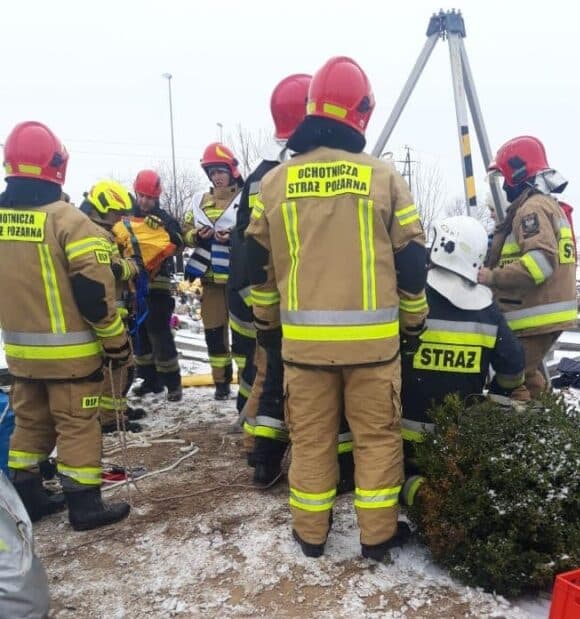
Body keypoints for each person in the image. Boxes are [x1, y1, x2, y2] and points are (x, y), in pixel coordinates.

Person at [245, 56, 428, 561]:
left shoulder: (274, 184)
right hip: (373, 350)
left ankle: (310, 536)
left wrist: (267, 327)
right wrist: (412, 322)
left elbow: (256, 267)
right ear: (362, 111)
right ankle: (376, 539)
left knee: (311, 442)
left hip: (303, 351)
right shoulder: (384, 178)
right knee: (376, 441)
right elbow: (412, 264)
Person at [0, 121, 130, 530]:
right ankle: (85, 505)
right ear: (57, 165)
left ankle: (29, 496)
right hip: (71, 357)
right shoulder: (69, 222)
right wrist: (117, 344)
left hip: (21, 354)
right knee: (77, 425)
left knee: (30, 423)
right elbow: (94, 294)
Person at [399, 215, 526, 506]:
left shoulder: (413, 298)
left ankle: (419, 494)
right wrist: (496, 396)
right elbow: (513, 366)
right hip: (458, 440)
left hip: (404, 438)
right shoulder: (487, 311)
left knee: (391, 476)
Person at [228, 74, 311, 471]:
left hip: (267, 294)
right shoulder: (287, 174)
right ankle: (262, 452)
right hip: (290, 294)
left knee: (268, 373)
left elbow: (248, 244)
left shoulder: (261, 174)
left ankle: (259, 451)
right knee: (276, 373)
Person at [478, 136, 577, 400]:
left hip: (535, 315)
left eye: (502, 177)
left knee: (510, 380)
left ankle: (522, 430)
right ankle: (548, 423)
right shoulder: (545, 205)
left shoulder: (530, 209)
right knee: (529, 377)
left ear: (516, 174)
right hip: (545, 312)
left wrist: (492, 277)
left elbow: (540, 263)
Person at [79, 179, 145, 432]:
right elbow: (111, 269)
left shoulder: (102, 231)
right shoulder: (93, 233)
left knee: (122, 366)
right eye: (117, 213)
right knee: (117, 365)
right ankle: (110, 418)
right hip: (106, 313)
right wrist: (131, 266)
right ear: (102, 207)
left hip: (116, 310)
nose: (119, 218)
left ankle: (117, 410)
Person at [182, 144, 243, 400]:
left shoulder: (244, 198)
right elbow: (183, 233)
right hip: (210, 280)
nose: (217, 176)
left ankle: (249, 382)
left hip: (239, 279)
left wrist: (234, 236)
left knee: (244, 335)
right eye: (213, 172)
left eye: (221, 171)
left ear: (231, 172)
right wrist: (195, 235)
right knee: (214, 333)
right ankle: (221, 383)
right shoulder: (198, 201)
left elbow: (256, 229)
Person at [130, 169, 183, 402]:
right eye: (141, 196)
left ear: (157, 197)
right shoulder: (127, 217)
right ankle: (150, 380)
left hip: (158, 285)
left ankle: (173, 384)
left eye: (149, 197)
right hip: (134, 286)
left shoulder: (164, 218)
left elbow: (178, 241)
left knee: (159, 334)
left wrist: (162, 228)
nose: (144, 201)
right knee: (140, 334)